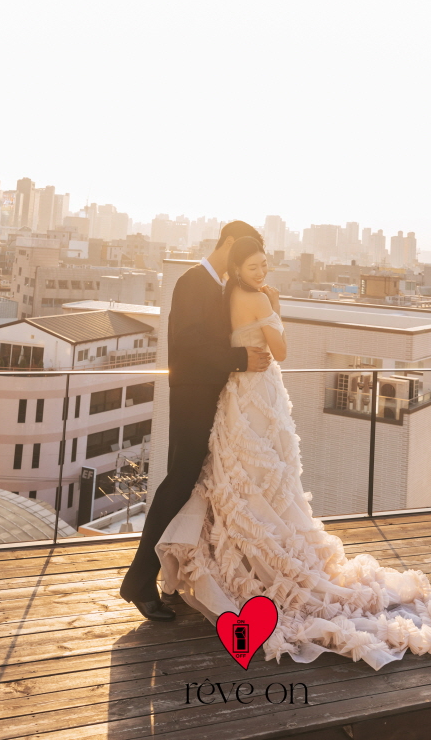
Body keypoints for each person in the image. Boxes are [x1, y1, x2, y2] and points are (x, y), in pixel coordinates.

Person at [155, 236, 431, 669]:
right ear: (239, 267)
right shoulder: (256, 298)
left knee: (240, 475)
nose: (261, 272)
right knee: (264, 475)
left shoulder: (227, 295)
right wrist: (275, 308)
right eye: (254, 266)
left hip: (235, 394)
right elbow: (281, 351)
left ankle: (243, 560)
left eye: (264, 265)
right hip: (258, 393)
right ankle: (264, 562)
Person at [119, 221, 270, 620]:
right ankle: (138, 581)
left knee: (196, 486)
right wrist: (240, 359)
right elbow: (188, 342)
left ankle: (180, 576)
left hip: (212, 397)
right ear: (229, 243)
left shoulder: (220, 286)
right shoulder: (192, 281)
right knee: (178, 483)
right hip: (191, 396)